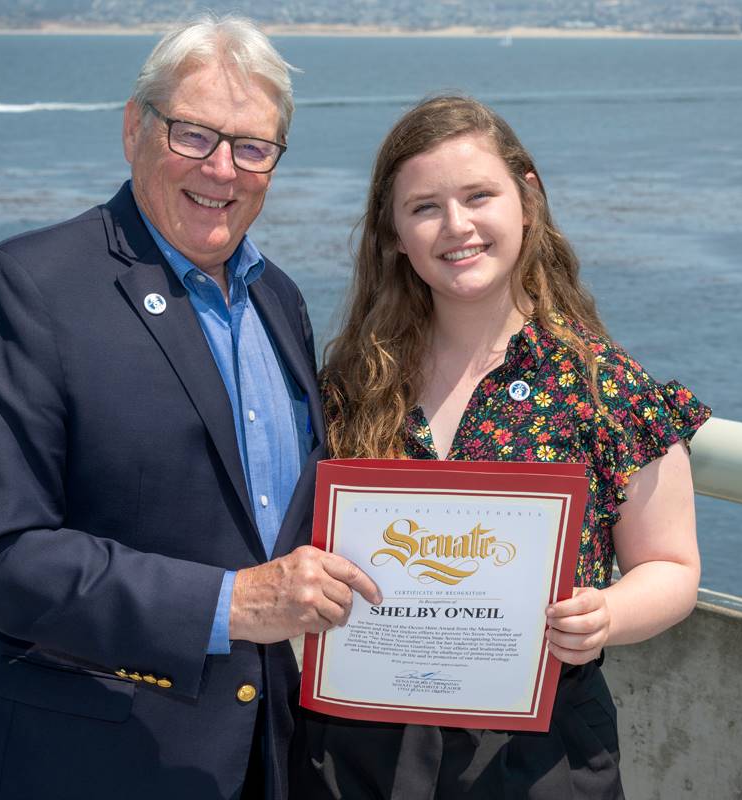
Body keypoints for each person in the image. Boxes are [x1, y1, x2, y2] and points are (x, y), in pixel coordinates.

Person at [0, 15, 379, 800]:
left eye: (253, 147)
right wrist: (233, 604)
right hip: (79, 765)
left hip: (255, 759)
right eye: (194, 134)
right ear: (135, 127)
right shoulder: (24, 289)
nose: (223, 169)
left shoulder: (280, 300)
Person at [305, 95, 711, 799]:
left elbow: (673, 567)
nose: (456, 225)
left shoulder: (602, 385)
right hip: (358, 747)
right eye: (424, 207)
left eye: (478, 196)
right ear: (395, 234)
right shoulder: (351, 385)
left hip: (538, 757)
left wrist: (607, 614)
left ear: (528, 199)